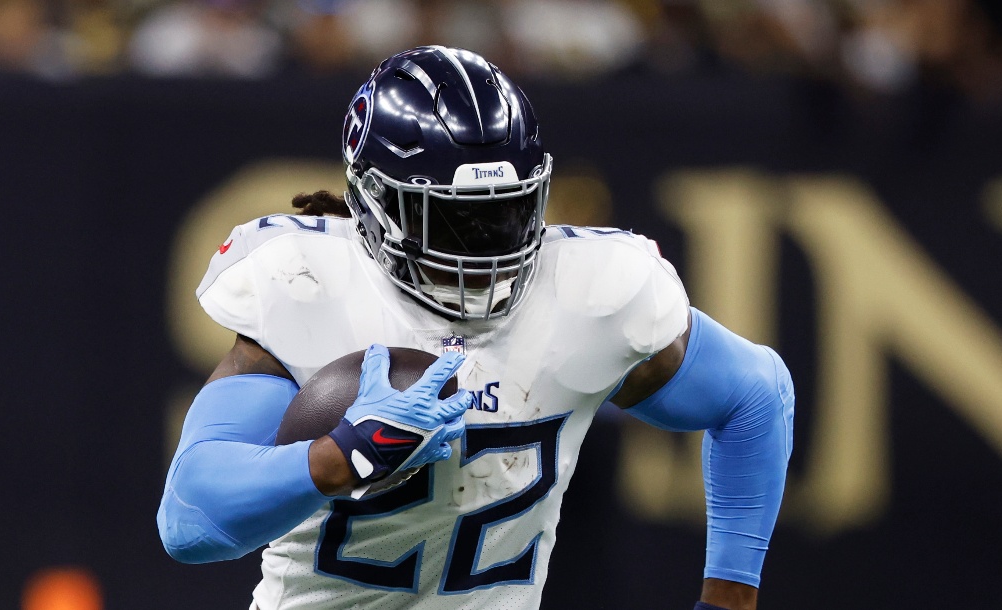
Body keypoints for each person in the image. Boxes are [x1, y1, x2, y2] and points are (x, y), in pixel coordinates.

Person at [157, 45, 794, 610]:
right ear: (374, 202)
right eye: (452, 220)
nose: (484, 248)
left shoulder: (590, 293)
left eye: (506, 215)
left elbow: (758, 398)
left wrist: (730, 594)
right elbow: (190, 521)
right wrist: (338, 457)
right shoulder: (308, 287)